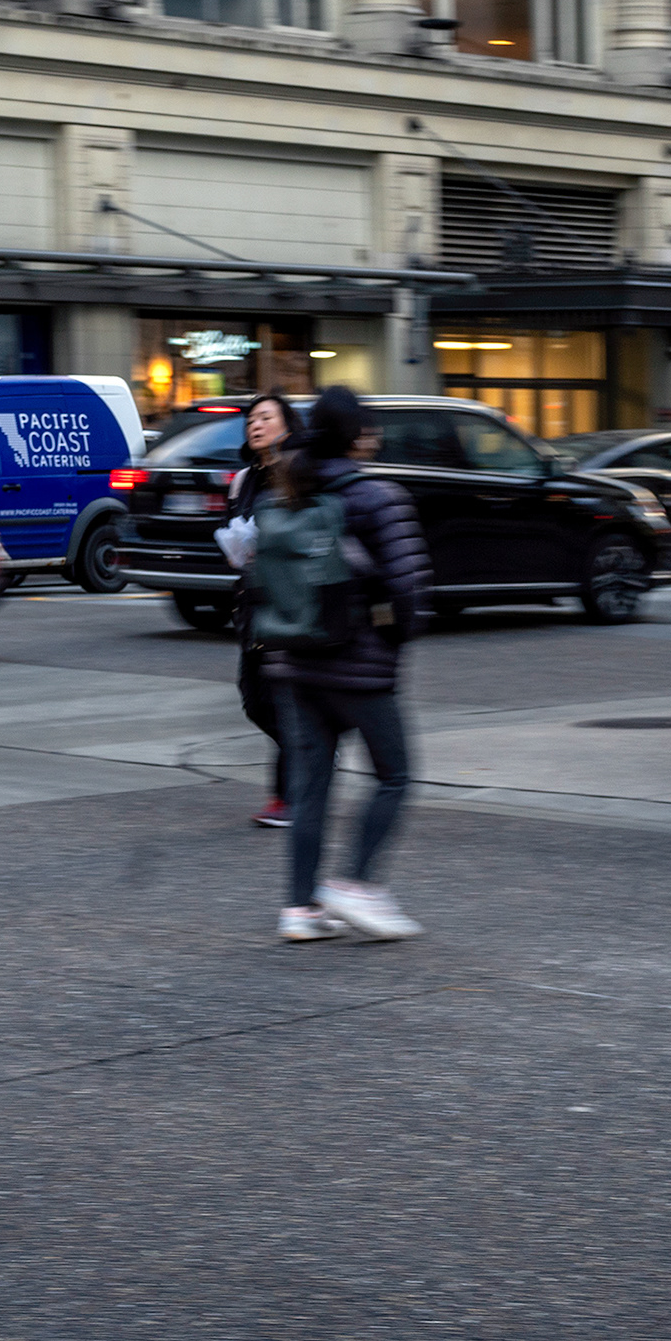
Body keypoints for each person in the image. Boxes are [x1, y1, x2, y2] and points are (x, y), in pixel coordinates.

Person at [265, 388, 432, 942]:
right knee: (395, 775)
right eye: (371, 428)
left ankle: (299, 908)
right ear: (358, 435)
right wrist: (395, 639)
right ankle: (355, 884)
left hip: (296, 658)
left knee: (311, 789)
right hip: (359, 666)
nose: (376, 437)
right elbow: (407, 588)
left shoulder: (290, 484)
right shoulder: (377, 495)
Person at [232, 393, 304, 828]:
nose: (254, 425)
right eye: (251, 420)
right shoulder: (244, 480)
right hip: (252, 604)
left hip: (288, 604)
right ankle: (314, 751)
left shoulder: (297, 473)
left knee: (283, 700)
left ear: (287, 425)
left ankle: (287, 798)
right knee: (254, 702)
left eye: (265, 417)